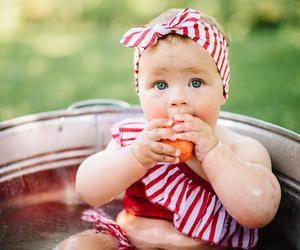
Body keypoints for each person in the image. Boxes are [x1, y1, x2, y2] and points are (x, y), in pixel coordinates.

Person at [57, 8, 281, 250]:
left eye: (196, 82)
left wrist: (213, 154)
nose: (177, 98)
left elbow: (260, 212)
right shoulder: (134, 141)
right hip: (127, 240)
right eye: (160, 84)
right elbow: (89, 190)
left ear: (223, 90)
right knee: (78, 246)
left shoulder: (240, 149)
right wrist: (135, 157)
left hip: (207, 246)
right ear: (140, 93)